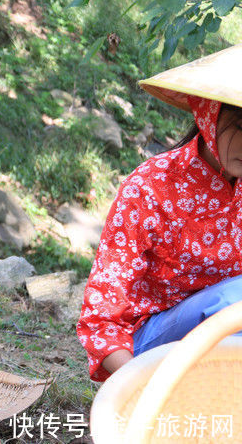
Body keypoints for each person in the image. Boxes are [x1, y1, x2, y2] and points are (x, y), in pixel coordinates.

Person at [77, 43, 242, 382]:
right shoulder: (151, 187)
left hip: (227, 342)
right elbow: (101, 317)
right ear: (209, 114)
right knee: (234, 298)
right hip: (151, 349)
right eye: (241, 126)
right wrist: (139, 387)